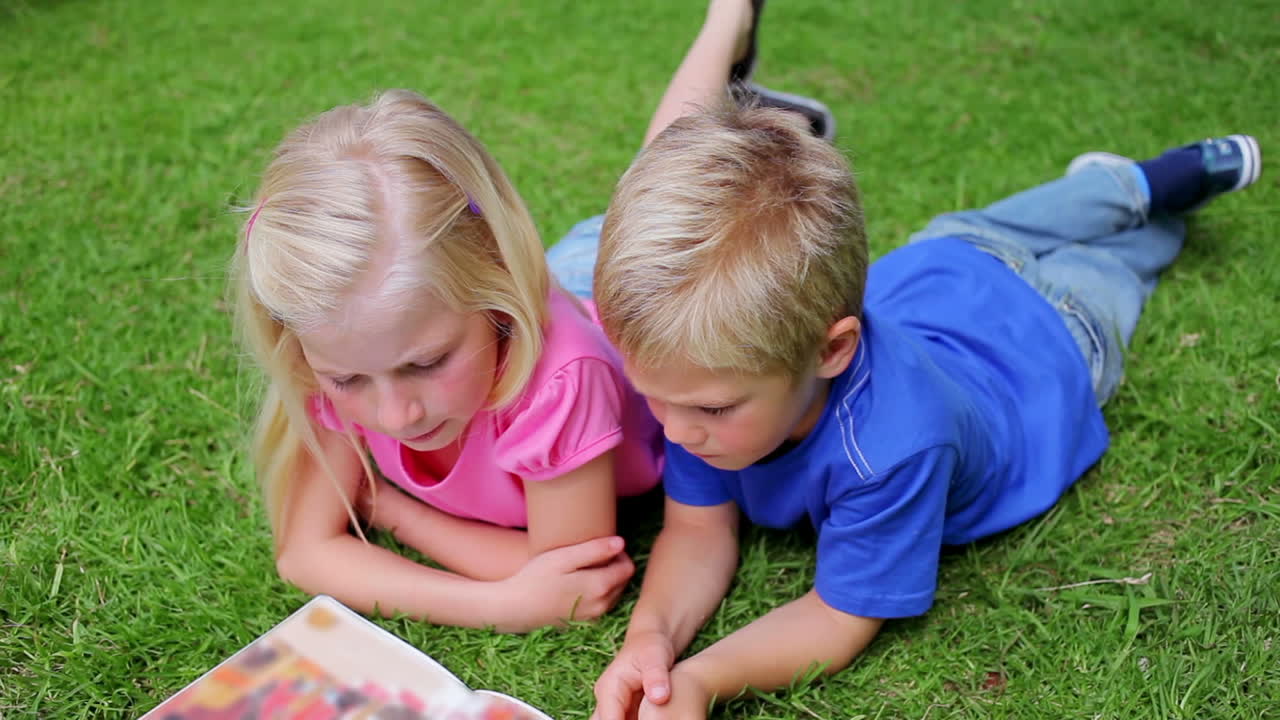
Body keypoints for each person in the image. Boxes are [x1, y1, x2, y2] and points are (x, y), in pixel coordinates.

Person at [585, 0, 1263, 717]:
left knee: (1114, 264)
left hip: (1049, 342)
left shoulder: (893, 446)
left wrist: (704, 678)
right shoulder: (699, 378)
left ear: (832, 351)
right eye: (654, 396)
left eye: (710, 409)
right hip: (944, 273)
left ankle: (1149, 193)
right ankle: (1114, 186)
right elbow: (697, 530)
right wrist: (652, 643)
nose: (675, 430)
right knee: (989, 226)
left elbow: (838, 615)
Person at [231, 89, 666, 633]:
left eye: (428, 363)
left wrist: (396, 513)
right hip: (559, 273)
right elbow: (305, 553)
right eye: (347, 380)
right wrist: (499, 605)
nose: (396, 416)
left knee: (678, 170)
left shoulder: (563, 377)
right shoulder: (334, 330)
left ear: (496, 290)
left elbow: (573, 577)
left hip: (626, 291)